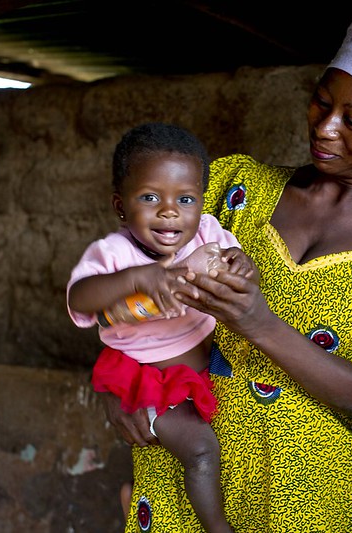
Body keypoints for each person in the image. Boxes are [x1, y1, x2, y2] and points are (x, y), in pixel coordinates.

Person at [101, 0, 352, 530]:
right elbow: (125, 290)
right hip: (182, 472)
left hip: (305, 498)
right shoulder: (235, 189)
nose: (325, 128)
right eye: (321, 102)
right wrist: (120, 388)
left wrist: (257, 322)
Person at [67, 122, 257, 533]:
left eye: (185, 198)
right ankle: (218, 529)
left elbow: (242, 273)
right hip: (150, 378)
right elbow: (79, 298)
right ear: (121, 207)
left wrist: (243, 266)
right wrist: (136, 279)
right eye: (150, 197)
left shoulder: (206, 233)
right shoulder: (115, 253)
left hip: (205, 370)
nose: (169, 210)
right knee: (201, 452)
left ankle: (130, 495)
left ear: (201, 203)